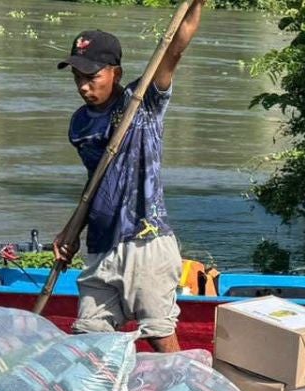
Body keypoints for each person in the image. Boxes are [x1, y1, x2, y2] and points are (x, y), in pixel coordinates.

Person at [54, 2, 207, 353]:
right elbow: (96, 183)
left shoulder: (143, 102)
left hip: (145, 240)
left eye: (92, 77)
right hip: (102, 244)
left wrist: (197, 4)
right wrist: (71, 231)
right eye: (78, 77)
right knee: (90, 338)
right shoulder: (80, 124)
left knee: (158, 332)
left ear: (116, 73)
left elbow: (177, 46)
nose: (83, 86)